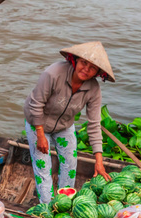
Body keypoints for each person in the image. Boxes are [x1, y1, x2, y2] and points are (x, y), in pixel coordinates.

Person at [24, 42, 115, 205]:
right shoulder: (53, 73)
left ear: (97, 73)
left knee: (70, 164)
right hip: (38, 122)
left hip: (64, 125)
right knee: (43, 166)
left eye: (92, 68)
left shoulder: (93, 90)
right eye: (84, 63)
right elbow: (36, 104)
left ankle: (64, 204)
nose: (86, 69)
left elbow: (94, 125)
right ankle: (46, 206)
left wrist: (99, 161)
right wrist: (40, 134)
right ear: (75, 60)